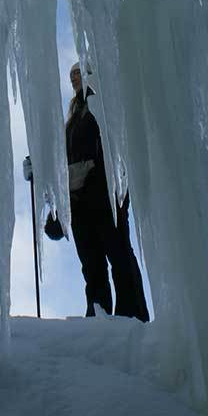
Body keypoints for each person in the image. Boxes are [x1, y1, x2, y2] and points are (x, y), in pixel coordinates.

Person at [64, 62, 149, 321]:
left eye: (79, 74)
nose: (75, 79)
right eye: (72, 76)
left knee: (118, 254)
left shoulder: (103, 105)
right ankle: (98, 314)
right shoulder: (72, 119)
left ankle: (131, 314)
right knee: (92, 264)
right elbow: (66, 158)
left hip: (106, 192)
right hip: (79, 198)